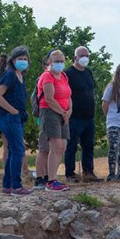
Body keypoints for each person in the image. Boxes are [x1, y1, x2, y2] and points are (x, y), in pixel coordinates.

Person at [0, 45, 33, 195]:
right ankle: (16, 185)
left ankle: (8, 185)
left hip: (17, 118)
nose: (23, 61)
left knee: (12, 150)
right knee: (18, 149)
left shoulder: (20, 76)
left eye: (25, 59)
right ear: (13, 60)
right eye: (20, 58)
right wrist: (12, 110)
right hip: (9, 117)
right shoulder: (9, 75)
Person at [38, 50, 72, 191]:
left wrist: (69, 111)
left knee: (62, 146)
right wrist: (63, 113)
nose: (60, 63)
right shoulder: (47, 76)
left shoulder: (63, 76)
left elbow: (68, 95)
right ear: (50, 62)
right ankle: (51, 180)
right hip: (50, 112)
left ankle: (54, 177)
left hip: (64, 113)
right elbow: (49, 98)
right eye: (57, 61)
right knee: (55, 146)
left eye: (62, 61)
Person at [64, 46, 99, 182]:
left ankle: (88, 172)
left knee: (88, 146)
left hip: (89, 117)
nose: (85, 58)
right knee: (71, 146)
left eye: (87, 55)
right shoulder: (68, 73)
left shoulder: (88, 72)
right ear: (75, 58)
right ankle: (70, 173)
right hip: (74, 117)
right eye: (82, 55)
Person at [32, 52, 52, 189]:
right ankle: (40, 178)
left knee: (52, 149)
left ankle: (48, 177)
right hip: (45, 115)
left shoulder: (61, 77)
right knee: (44, 148)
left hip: (55, 117)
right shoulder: (43, 78)